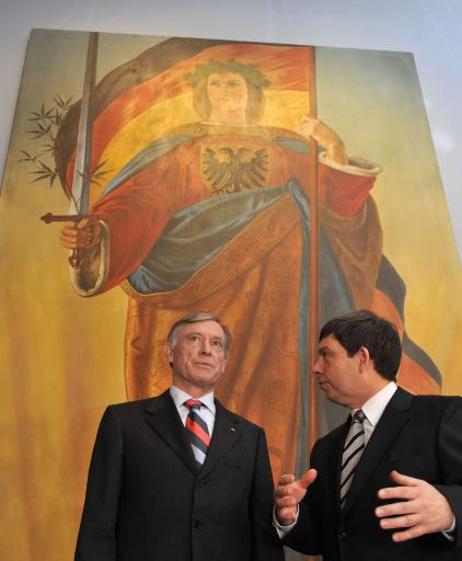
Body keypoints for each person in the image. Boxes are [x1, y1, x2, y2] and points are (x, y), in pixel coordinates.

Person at [59, 55, 439, 481]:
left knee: (268, 399)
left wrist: (334, 152)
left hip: (275, 302)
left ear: (252, 95)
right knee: (193, 395)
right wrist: (101, 233)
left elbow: (335, 207)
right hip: (193, 293)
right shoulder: (177, 150)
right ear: (203, 96)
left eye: (235, 85)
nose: (226, 94)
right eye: (217, 85)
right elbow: (138, 205)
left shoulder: (286, 147)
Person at [74, 311, 284, 561]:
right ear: (170, 352)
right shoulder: (124, 423)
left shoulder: (250, 437)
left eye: (216, 344)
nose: (206, 350)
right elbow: (98, 524)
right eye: (194, 339)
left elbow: (263, 536)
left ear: (224, 361)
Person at [274, 310, 462, 561]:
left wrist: (449, 511)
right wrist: (291, 517)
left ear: (362, 358)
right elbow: (329, 537)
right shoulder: (325, 448)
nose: (316, 368)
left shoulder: (443, 415)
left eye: (326, 355)